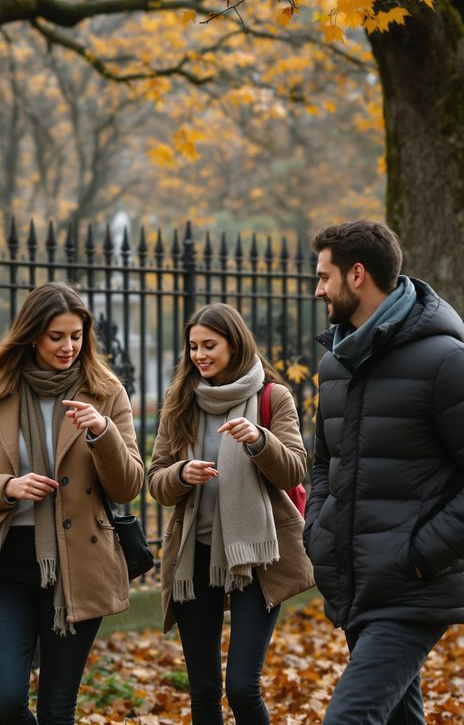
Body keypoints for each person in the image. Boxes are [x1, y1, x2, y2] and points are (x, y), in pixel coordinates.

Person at [305, 219, 464, 724]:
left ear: (357, 275)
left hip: (411, 587)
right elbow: (325, 462)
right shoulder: (337, 364)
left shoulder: (449, 362)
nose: (318, 289)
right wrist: (320, 530)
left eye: (324, 277)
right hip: (356, 581)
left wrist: (421, 555)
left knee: (348, 717)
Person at [0, 283, 144, 725]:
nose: (68, 347)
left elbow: (129, 486)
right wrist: (7, 487)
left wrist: (102, 433)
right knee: (4, 703)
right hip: (5, 566)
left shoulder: (105, 392)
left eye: (76, 336)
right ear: (33, 334)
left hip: (78, 566)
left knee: (57, 710)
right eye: (57, 336)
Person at [147, 303, 311, 725]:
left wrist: (259, 440)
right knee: (203, 690)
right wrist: (181, 474)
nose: (199, 355)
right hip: (195, 556)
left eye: (209, 346)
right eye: (193, 347)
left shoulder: (273, 397)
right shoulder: (181, 399)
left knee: (241, 688)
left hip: (255, 558)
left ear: (234, 344)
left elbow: (294, 468)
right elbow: (156, 481)